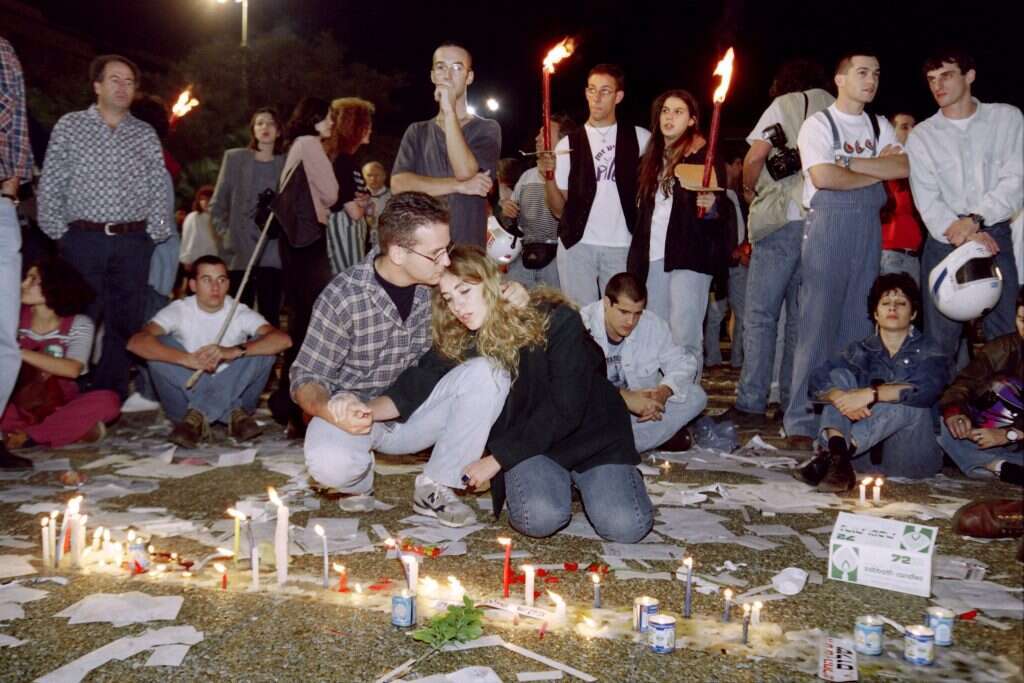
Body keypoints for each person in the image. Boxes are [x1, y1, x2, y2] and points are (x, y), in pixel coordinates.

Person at [381, 246, 653, 542]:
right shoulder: (462, 334)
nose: (457, 306)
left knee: (626, 526)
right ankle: (560, 484)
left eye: (464, 291)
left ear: (492, 282)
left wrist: (495, 461)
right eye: (449, 298)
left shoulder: (553, 317)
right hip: (532, 447)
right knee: (539, 518)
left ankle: (602, 481)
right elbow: (419, 380)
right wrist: (367, 411)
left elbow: (567, 408)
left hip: (591, 437)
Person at [295, 192, 526, 525]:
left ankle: (436, 486)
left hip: (421, 413)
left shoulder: (438, 285)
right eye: (435, 254)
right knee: (330, 464)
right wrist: (330, 409)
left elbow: (478, 283)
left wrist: (511, 292)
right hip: (360, 419)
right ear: (399, 253)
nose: (446, 261)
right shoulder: (342, 297)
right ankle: (357, 481)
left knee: (489, 374)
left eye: (446, 249)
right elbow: (305, 376)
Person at [785, 52, 909, 440]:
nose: (871, 80)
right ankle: (803, 417)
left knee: (858, 326)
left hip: (868, 229)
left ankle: (839, 417)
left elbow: (903, 167)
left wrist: (850, 165)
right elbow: (822, 176)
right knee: (817, 325)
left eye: (876, 73)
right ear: (840, 79)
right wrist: (873, 169)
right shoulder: (818, 124)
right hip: (829, 226)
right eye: (862, 72)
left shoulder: (879, 124)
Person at [37, 56, 174, 402]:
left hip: (132, 240)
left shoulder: (143, 134)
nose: (123, 87)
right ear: (97, 85)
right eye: (115, 79)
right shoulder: (71, 126)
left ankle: (106, 396)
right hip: (83, 239)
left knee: (124, 321)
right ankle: (67, 389)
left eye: (129, 81)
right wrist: (60, 234)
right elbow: (51, 183)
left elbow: (159, 188)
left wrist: (152, 235)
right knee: (80, 315)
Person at [724, 59, 834, 429]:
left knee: (759, 315)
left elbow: (756, 155)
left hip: (781, 220)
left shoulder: (785, 105)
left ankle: (751, 400)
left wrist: (749, 188)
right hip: (819, 222)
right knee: (799, 322)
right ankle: (792, 401)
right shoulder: (834, 107)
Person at [906, 48, 1023, 365]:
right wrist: (968, 234)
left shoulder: (1007, 118)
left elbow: (1015, 181)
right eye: (931, 79)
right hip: (945, 238)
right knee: (940, 341)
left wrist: (976, 220)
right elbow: (927, 201)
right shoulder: (921, 136)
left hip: (993, 233)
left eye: (946, 75)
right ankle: (941, 413)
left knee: (1004, 336)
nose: (937, 85)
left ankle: (1005, 412)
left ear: (969, 76)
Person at [796, 273, 946, 491]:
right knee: (838, 378)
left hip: (912, 456)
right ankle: (839, 458)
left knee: (905, 399)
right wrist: (840, 397)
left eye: (901, 303)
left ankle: (835, 455)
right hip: (863, 459)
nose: (892, 309)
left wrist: (870, 394)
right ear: (875, 313)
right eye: (885, 303)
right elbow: (817, 381)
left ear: (913, 313)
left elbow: (927, 389)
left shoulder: (931, 350)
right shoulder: (859, 350)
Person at [127, 255, 292, 448]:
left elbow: (283, 340)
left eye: (221, 280)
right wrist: (185, 359)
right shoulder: (179, 310)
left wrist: (232, 351)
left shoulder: (238, 311)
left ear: (228, 284)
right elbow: (136, 343)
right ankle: (227, 411)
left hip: (227, 404)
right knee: (159, 345)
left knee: (263, 348)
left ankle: (199, 415)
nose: (215, 287)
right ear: (193, 285)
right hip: (187, 406)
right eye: (207, 280)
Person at [626, 89, 734, 373]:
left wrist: (711, 206)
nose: (669, 117)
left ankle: (686, 402)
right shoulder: (651, 158)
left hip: (689, 255)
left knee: (685, 334)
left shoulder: (703, 156)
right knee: (656, 331)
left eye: (678, 112)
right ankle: (660, 400)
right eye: (665, 111)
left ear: (691, 121)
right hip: (653, 256)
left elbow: (720, 209)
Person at [541, 64, 650, 307]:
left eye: (605, 91)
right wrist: (547, 176)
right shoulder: (567, 145)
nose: (597, 98)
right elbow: (559, 211)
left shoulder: (641, 139)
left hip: (622, 244)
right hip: (578, 246)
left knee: (620, 318)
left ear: (618, 96)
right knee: (581, 319)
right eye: (592, 90)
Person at [267, 97, 339, 436]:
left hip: (294, 240)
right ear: (314, 118)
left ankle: (287, 405)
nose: (330, 123)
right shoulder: (310, 143)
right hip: (308, 240)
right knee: (308, 324)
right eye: (327, 117)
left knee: (301, 319)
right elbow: (333, 191)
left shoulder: (297, 144)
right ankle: (294, 408)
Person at [580, 273, 706, 454]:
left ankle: (619, 444)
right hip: (599, 410)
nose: (630, 321)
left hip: (641, 414)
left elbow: (683, 363)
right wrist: (627, 400)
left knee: (696, 395)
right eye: (624, 312)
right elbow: (578, 383)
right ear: (607, 303)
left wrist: (664, 391)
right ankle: (654, 438)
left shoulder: (652, 324)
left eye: (637, 313)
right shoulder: (582, 323)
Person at [2, 259, 120, 452]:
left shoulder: (79, 324)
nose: (23, 284)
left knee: (109, 401)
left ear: (53, 286)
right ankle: (63, 431)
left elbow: (72, 369)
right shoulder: (12, 316)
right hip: (16, 401)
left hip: (58, 403)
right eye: (25, 278)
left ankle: (32, 435)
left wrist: (18, 352)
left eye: (33, 280)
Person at [392, 42, 501, 248]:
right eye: (441, 67)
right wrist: (459, 187)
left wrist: (449, 111)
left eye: (457, 68)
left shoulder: (487, 128)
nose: (448, 76)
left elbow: (466, 172)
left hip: (466, 247)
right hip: (421, 249)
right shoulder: (417, 131)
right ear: (433, 76)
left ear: (469, 77)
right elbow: (399, 184)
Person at [209, 107, 287, 329]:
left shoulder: (286, 163)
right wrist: (225, 235)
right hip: (239, 250)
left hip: (271, 250)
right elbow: (217, 204)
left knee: (269, 314)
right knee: (235, 317)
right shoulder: (235, 158)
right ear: (253, 129)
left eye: (271, 123)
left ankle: (267, 363)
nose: (265, 127)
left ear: (279, 131)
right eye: (260, 123)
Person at [937, 286, 1023, 479]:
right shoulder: (1004, 347)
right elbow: (965, 382)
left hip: (1015, 437)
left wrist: (1010, 434)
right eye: (1022, 320)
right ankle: (998, 466)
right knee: (944, 424)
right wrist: (955, 413)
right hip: (996, 434)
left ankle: (988, 465)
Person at [1, 37, 34, 468]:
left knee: (4, 338)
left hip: (2, 204)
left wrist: (12, 185)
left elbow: (14, 120)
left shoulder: (4, 50)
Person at [501, 114, 575, 289]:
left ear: (564, 141)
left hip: (558, 261)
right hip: (525, 257)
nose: (537, 138)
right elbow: (512, 220)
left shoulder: (573, 177)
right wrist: (507, 210)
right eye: (539, 133)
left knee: (555, 310)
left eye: (545, 133)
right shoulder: (527, 176)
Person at [705, 144, 749, 369]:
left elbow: (745, 228)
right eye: (737, 165)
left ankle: (737, 359)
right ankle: (712, 358)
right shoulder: (716, 197)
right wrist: (727, 251)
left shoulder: (740, 198)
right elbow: (713, 231)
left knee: (742, 313)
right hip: (719, 266)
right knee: (716, 313)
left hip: (739, 265)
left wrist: (744, 249)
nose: (739, 170)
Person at [325, 98, 374, 275]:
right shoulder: (341, 162)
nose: (371, 129)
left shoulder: (349, 161)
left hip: (352, 231)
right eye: (366, 124)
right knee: (351, 280)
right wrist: (363, 205)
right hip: (345, 230)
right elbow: (354, 211)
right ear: (353, 126)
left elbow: (367, 205)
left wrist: (365, 203)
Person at [879, 112, 924, 283]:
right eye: (904, 127)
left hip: (912, 255)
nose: (912, 132)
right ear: (891, 132)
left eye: (914, 127)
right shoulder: (881, 167)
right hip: (890, 255)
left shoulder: (916, 170)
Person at [179, 185, 219, 268]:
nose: (205, 202)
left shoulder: (218, 218)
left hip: (214, 260)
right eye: (202, 199)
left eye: (208, 199)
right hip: (196, 260)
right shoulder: (193, 217)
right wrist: (187, 259)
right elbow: (188, 239)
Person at [362, 160, 392, 243]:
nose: (373, 179)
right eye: (369, 175)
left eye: (377, 175)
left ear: (384, 176)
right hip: (362, 240)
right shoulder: (357, 196)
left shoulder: (393, 196)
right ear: (364, 176)